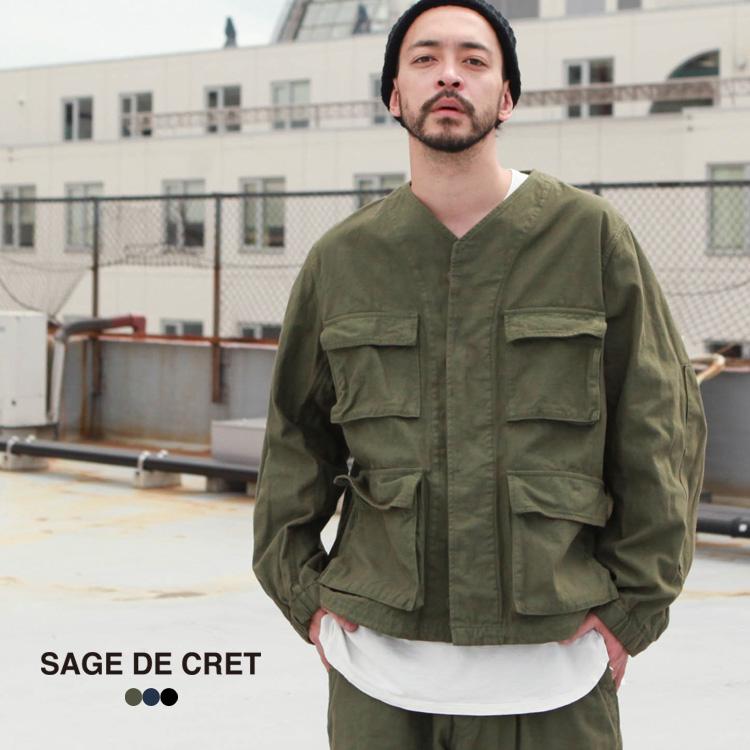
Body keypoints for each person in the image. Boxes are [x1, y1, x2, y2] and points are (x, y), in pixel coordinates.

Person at [251, 1, 708, 747]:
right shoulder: (343, 259)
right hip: (379, 670)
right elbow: (294, 439)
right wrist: (306, 597)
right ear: (394, 95)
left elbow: (660, 428)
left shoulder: (588, 238)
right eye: (425, 59)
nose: (449, 76)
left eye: (473, 60)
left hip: (555, 666)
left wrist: (632, 609)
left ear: (508, 96)